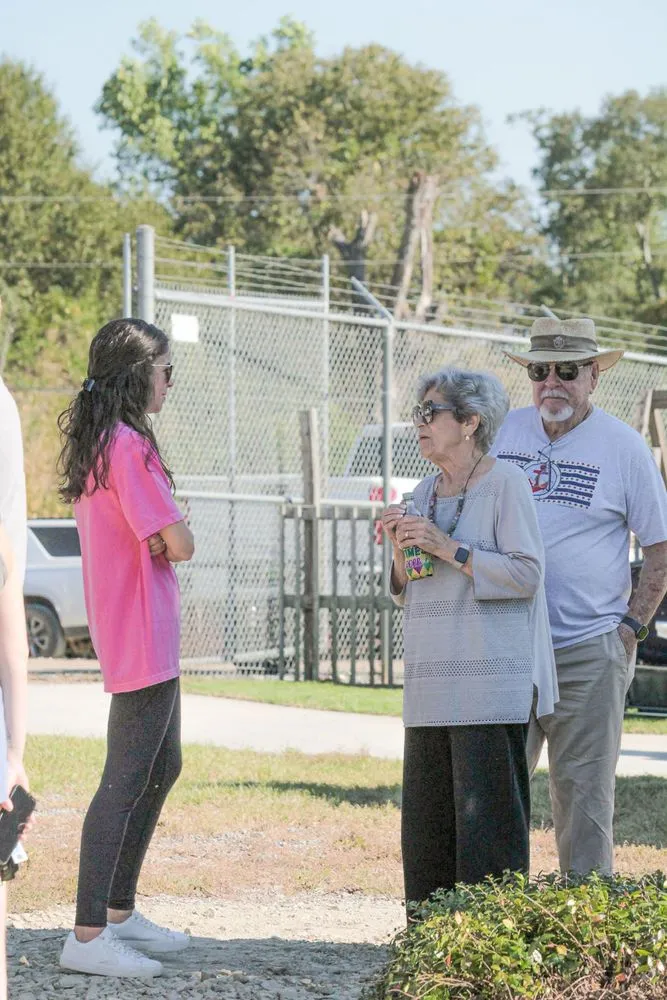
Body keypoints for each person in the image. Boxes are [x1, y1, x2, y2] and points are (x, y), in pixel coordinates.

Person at [492, 317, 667, 876]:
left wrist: (631, 628)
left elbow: (661, 549)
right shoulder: (501, 433)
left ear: (594, 375)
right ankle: (490, 918)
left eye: (568, 371)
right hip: (506, 642)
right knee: (496, 794)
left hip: (589, 648)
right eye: (541, 371)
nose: (553, 384)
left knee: (585, 800)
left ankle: (585, 924)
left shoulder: (623, 446)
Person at [381, 367, 558, 915]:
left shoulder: (505, 483)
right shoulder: (421, 491)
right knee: (429, 834)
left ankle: (485, 953)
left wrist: (447, 546)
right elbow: (408, 588)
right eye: (419, 412)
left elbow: (528, 575)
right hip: (431, 690)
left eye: (431, 412)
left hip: (488, 687)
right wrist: (400, 546)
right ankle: (429, 953)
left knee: (490, 837)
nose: (420, 423)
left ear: (471, 422)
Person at [57, 318, 195, 979]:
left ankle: (117, 911)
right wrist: (176, 526)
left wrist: (168, 529)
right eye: (167, 370)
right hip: (141, 628)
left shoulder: (106, 441)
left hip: (141, 627)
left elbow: (161, 534)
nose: (171, 382)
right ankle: (87, 935)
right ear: (142, 375)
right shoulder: (127, 446)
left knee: (159, 767)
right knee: (123, 781)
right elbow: (180, 542)